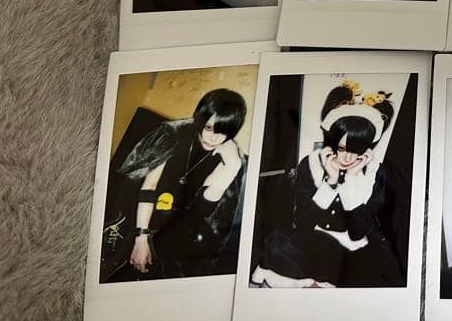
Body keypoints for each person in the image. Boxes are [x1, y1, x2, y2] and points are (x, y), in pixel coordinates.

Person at [251, 85, 404, 287]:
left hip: (353, 251)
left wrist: (351, 180)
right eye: (341, 148)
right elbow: (304, 224)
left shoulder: (376, 173)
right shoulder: (310, 164)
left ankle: (319, 280)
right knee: (277, 240)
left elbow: (358, 232)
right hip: (314, 244)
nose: (348, 158)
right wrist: (330, 182)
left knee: (376, 272)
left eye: (357, 149)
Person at [100, 88, 248, 282]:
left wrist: (232, 168)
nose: (214, 138)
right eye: (209, 128)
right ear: (201, 118)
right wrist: (141, 238)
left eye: (223, 132)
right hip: (143, 209)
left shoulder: (227, 157)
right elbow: (149, 187)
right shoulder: (175, 135)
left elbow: (200, 210)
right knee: (117, 259)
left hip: (174, 223)